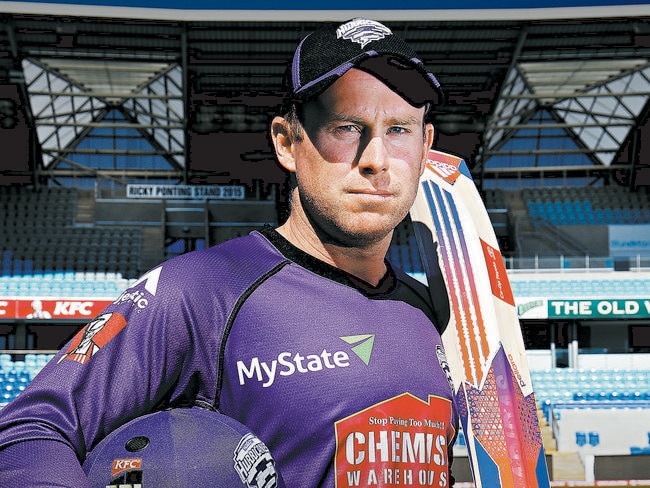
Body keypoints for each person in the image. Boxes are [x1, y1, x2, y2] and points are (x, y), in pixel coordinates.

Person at [0, 18, 458, 487]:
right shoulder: (199, 290)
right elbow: (32, 428)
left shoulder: (427, 309)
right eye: (346, 127)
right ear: (287, 142)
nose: (376, 159)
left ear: (425, 146)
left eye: (399, 129)